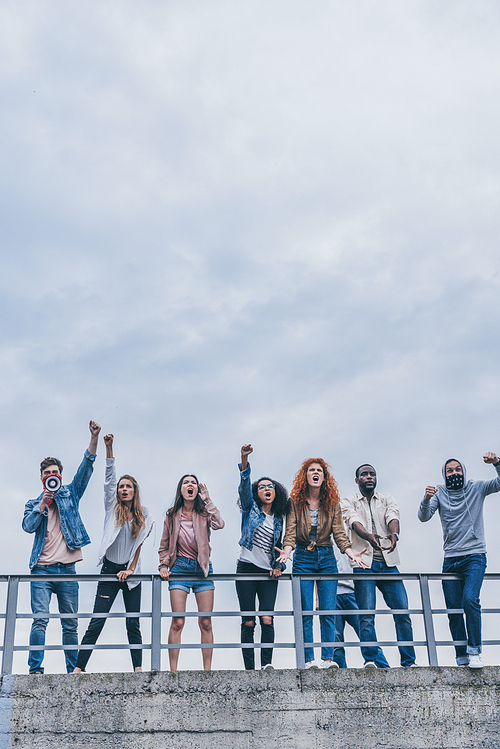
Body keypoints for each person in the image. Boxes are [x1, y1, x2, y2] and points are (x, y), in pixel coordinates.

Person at [22, 420, 101, 674]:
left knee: (70, 624)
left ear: (60, 476)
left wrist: (93, 438)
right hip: (42, 571)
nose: (51, 476)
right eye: (47, 474)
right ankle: (35, 672)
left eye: (54, 473)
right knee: (39, 621)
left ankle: (72, 673)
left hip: (67, 570)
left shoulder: (70, 495)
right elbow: (28, 526)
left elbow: (86, 469)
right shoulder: (33, 503)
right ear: (42, 477)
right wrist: (43, 503)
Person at [73, 433, 154, 673]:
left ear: (135, 491)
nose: (123, 489)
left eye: (128, 486)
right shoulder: (112, 508)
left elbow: (139, 544)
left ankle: (138, 669)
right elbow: (109, 480)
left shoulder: (145, 515)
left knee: (133, 623)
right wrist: (109, 448)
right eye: (122, 487)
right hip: (109, 571)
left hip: (131, 575)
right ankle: (78, 669)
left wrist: (130, 570)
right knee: (97, 621)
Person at [277, 458, 368, 669]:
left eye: (319, 470)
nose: (315, 473)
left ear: (324, 477)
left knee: (328, 610)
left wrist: (350, 553)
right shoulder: (295, 501)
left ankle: (328, 659)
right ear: (305, 476)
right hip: (302, 557)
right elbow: (290, 531)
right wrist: (287, 550)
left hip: (327, 557)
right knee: (306, 611)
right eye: (311, 470)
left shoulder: (332, 502)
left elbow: (339, 533)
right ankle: (309, 660)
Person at [418, 451, 500, 669]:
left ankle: (475, 652)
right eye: (449, 471)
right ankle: (461, 656)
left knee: (470, 600)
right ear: (444, 475)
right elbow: (424, 517)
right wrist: (426, 499)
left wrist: (497, 463)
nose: (454, 473)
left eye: (457, 469)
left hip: (474, 555)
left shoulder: (476, 488)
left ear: (463, 470)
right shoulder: (439, 492)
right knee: (453, 608)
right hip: (451, 559)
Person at [341, 464, 416, 668]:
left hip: (388, 564)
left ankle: (409, 661)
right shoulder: (348, 501)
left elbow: (393, 516)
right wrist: (368, 536)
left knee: (402, 612)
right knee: (366, 614)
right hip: (364, 564)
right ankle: (371, 659)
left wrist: (394, 534)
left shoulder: (386, 498)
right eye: (364, 475)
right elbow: (352, 521)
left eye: (372, 474)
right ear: (357, 480)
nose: (369, 477)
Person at [158, 475, 224, 671]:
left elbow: (219, 524)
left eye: (193, 483)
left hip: (202, 570)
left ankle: (207, 672)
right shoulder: (171, 515)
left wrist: (209, 500)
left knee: (205, 622)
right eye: (186, 482)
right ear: (181, 489)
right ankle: (172, 671)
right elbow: (163, 545)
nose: (190, 485)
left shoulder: (204, 513)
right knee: (178, 621)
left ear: (197, 490)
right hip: (179, 569)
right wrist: (163, 566)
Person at [236, 444, 290, 670]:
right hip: (246, 568)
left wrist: (280, 568)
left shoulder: (278, 518)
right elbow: (244, 488)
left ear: (276, 492)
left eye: (271, 487)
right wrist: (244, 460)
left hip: (267, 573)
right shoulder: (250, 509)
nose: (267, 489)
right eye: (262, 487)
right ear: (257, 493)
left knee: (267, 619)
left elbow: (279, 549)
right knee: (248, 621)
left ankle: (266, 664)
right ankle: (250, 669)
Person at [332, 545, 386, 669]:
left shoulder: (354, 533)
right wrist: (318, 599)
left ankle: (384, 669)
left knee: (367, 634)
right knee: (336, 641)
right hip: (332, 594)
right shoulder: (325, 535)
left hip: (353, 593)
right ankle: (340, 679)